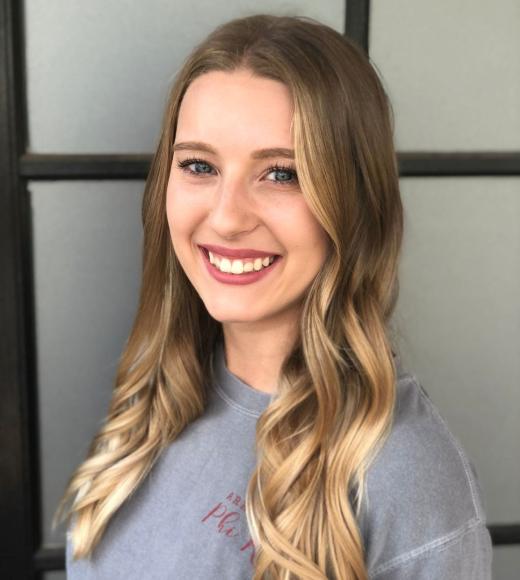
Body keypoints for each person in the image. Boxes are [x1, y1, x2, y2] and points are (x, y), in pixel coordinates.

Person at [54, 14, 493, 579]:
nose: (228, 216)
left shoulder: (406, 475)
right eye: (198, 166)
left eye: (281, 174)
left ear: (352, 205)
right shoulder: (157, 400)